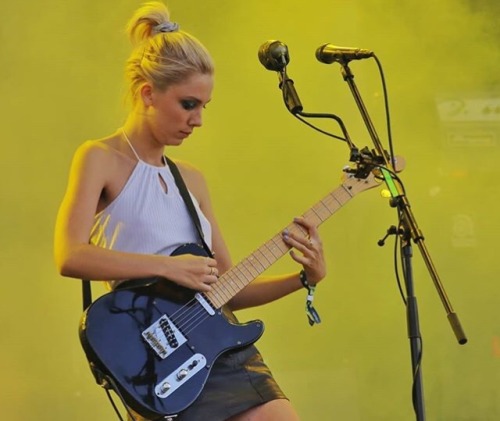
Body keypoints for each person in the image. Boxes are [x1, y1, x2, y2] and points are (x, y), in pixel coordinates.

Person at [54, 2, 327, 420]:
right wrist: (168, 268)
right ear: (148, 94)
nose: (198, 119)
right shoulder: (99, 158)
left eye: (205, 106)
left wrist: (304, 277)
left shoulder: (193, 180)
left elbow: (228, 287)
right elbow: (70, 255)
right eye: (188, 104)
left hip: (222, 348)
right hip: (153, 356)